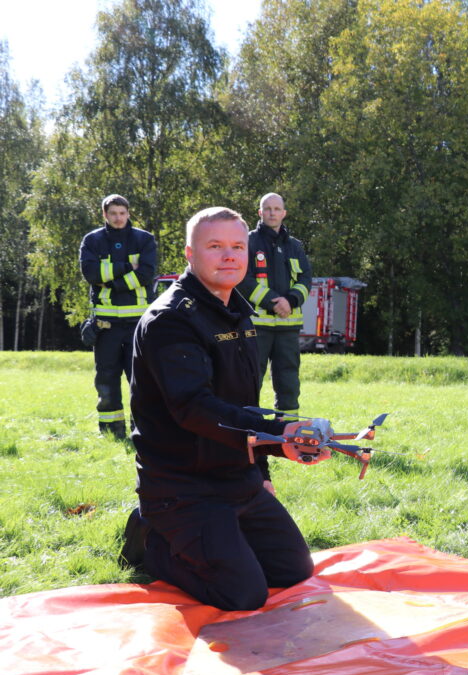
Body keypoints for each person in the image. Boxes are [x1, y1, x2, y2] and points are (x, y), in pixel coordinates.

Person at [120, 207, 330, 611]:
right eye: (215, 246)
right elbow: (194, 409)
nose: (229, 255)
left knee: (293, 570)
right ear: (189, 253)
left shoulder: (240, 311)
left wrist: (262, 468)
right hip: (183, 486)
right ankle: (151, 538)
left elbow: (243, 402)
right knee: (242, 593)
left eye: (237, 246)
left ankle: (218, 536)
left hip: (235, 475)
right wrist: (278, 433)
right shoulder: (170, 320)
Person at [79, 194, 157, 439]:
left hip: (138, 324)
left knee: (141, 380)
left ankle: (141, 429)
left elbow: (146, 274)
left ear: (128, 213)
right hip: (106, 326)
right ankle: (111, 433)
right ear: (105, 215)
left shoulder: (144, 239)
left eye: (122, 213)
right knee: (106, 380)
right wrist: (125, 269)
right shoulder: (92, 241)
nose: (118, 218)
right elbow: (91, 274)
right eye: (113, 213)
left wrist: (110, 282)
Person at [236, 193, 313, 418]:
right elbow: (242, 279)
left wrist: (290, 301)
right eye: (267, 209)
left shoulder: (295, 246)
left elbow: (305, 279)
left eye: (277, 209)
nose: (272, 213)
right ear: (260, 213)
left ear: (284, 213)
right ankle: (249, 428)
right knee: (250, 380)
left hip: (287, 326)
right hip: (256, 326)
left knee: (289, 381)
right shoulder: (248, 242)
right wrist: (273, 302)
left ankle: (288, 431)